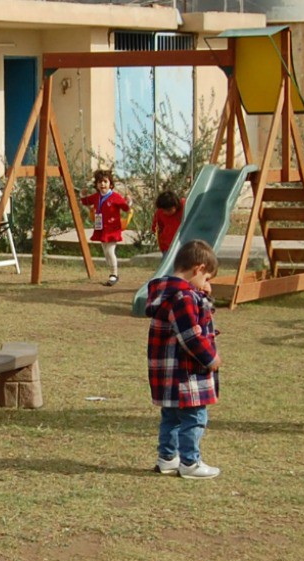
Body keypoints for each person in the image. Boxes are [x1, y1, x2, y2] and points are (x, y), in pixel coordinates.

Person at [146, 238, 222, 480]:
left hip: (168, 372)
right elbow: (190, 336)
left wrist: (205, 297)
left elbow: (191, 322)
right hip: (187, 373)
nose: (206, 284)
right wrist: (211, 358)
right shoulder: (183, 297)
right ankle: (190, 462)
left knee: (171, 416)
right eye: (207, 278)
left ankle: (168, 458)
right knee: (194, 417)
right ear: (198, 268)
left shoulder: (167, 293)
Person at [79, 168, 131, 286]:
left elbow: (125, 208)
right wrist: (82, 194)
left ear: (110, 184)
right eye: (100, 182)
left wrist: (128, 202)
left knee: (110, 250)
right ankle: (112, 271)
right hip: (100, 227)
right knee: (106, 252)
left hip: (113, 228)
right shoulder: (96, 196)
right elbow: (85, 201)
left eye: (105, 181)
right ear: (96, 185)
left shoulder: (115, 196)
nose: (102, 184)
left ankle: (114, 274)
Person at [152, 189, 183, 254]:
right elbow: (156, 227)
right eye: (164, 210)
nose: (166, 212)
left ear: (176, 205)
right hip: (167, 247)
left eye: (169, 210)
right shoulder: (159, 213)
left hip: (182, 244)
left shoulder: (184, 207)